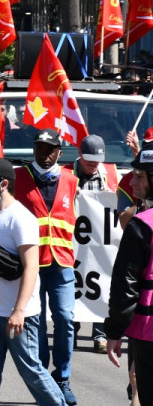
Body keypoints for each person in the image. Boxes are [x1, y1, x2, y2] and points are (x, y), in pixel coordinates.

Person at [0, 158, 66, 406]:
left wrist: (19, 311)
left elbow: (32, 266)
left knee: (32, 372)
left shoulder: (21, 218)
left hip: (17, 315)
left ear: (3, 185)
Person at [12, 129, 79, 406]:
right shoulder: (18, 178)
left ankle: (62, 377)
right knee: (36, 324)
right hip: (31, 264)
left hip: (62, 261)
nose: (45, 153)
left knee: (65, 318)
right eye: (41, 147)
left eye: (51, 149)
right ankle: (46, 378)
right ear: (34, 149)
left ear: (59, 153)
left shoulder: (71, 180)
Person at [105, 143, 153, 406]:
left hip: (147, 333)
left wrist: (113, 332)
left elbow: (125, 287)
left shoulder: (141, 225)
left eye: (140, 175)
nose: (132, 180)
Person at [62, 134, 117, 354]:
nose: (93, 166)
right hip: (72, 242)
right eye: (88, 161)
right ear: (79, 155)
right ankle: (70, 333)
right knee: (73, 286)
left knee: (100, 285)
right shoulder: (65, 174)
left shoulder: (111, 174)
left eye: (97, 161)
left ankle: (100, 335)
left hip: (99, 244)